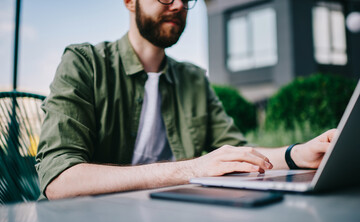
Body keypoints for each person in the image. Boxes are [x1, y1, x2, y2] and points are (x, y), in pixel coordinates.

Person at [35, 0, 336, 200]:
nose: (178, 4)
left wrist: (297, 153)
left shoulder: (192, 78)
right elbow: (60, 179)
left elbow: (239, 152)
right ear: (129, 1)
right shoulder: (84, 63)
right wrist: (192, 169)